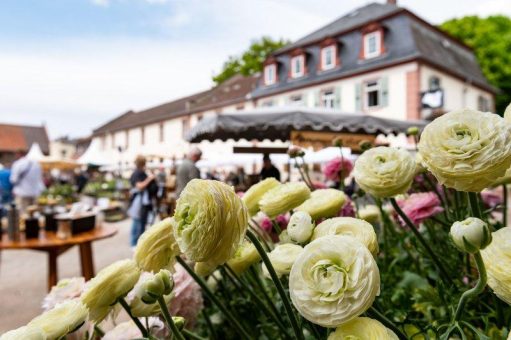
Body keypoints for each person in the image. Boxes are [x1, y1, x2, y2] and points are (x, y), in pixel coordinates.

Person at [127, 155, 157, 247]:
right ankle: (134, 244)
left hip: (142, 202)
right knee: (138, 222)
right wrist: (150, 178)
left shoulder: (139, 172)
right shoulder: (137, 173)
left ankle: (137, 243)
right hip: (139, 202)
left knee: (140, 222)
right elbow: (139, 186)